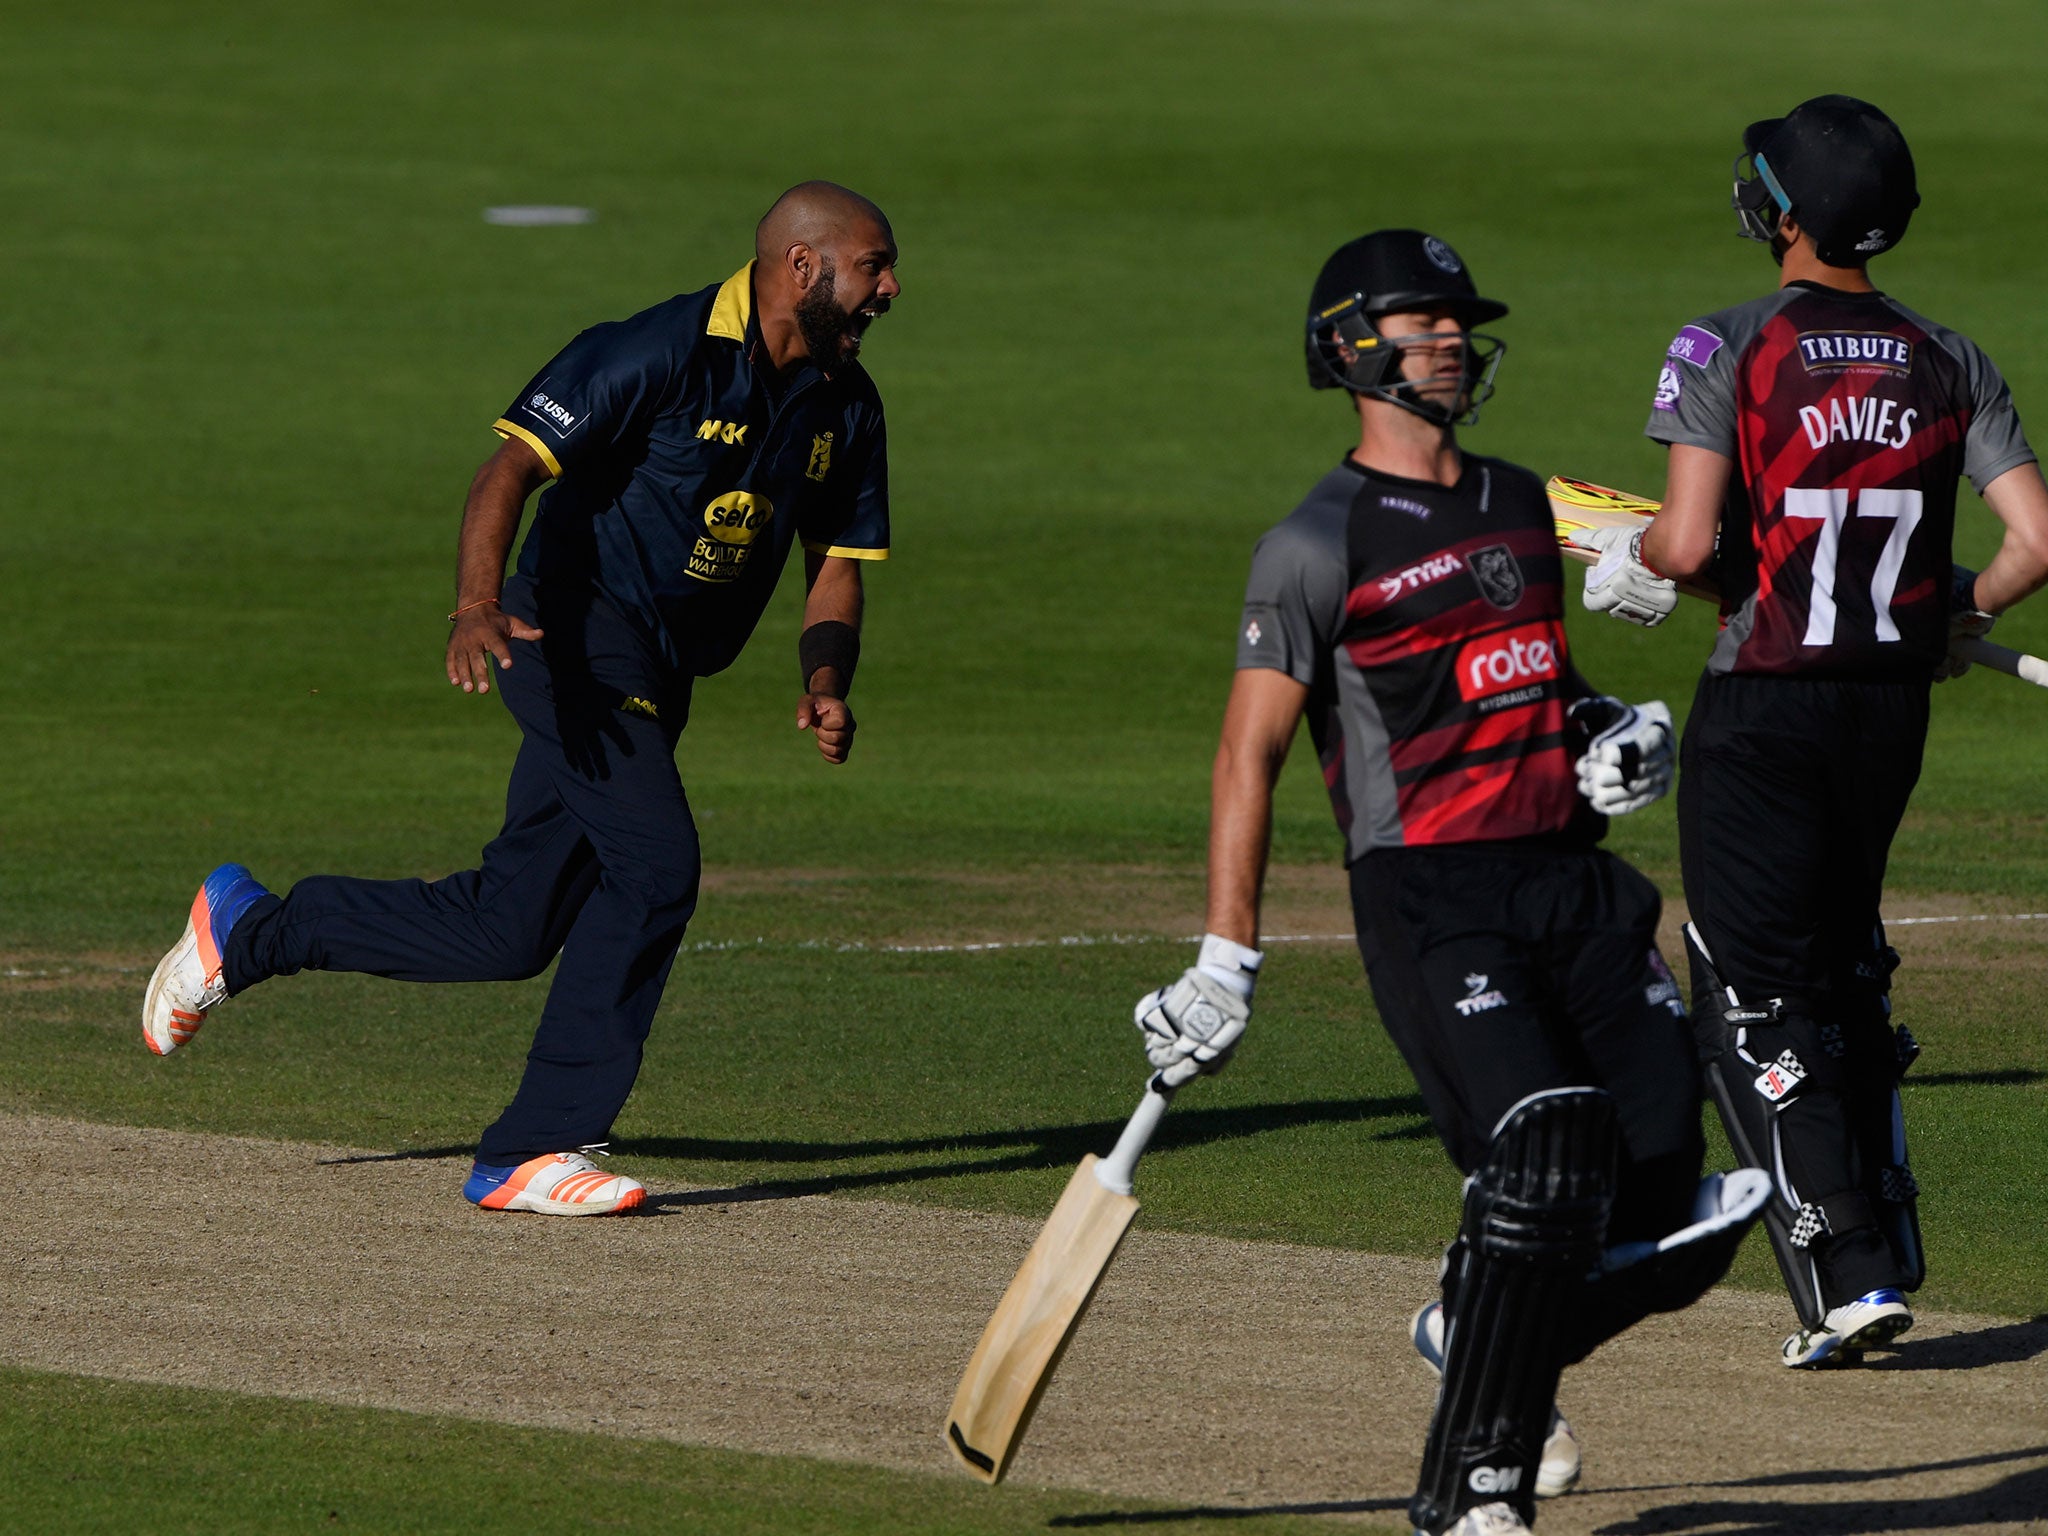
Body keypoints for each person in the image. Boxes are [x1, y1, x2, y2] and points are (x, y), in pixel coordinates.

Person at [1135, 230, 1765, 1536]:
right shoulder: (1315, 542)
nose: (1452, 344)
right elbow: (1248, 753)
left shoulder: (1521, 503)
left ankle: (1479, 1319)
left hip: (1576, 889)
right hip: (1434, 896)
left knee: (1688, 1209)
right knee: (1543, 1152)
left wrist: (1610, 734)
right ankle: (1471, 1491)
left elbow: (1542, 680)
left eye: (1456, 325)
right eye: (1422, 324)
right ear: (1351, 347)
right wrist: (1224, 955)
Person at [142, 182, 900, 1216]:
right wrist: (474, 605)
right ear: (803, 268)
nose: (889, 289)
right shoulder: (653, 350)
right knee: (655, 865)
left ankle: (252, 928)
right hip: (565, 638)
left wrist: (824, 682)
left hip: (661, 670)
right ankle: (534, 1147)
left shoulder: (844, 404)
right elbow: (507, 472)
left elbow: (837, 563)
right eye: (873, 266)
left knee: (507, 930)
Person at [1580, 95, 2048, 1367]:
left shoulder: (1721, 342)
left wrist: (1631, 563)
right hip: (1885, 712)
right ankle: (1883, 1243)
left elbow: (1683, 546)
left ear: (1782, 211)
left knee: (1744, 976)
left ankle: (1843, 1272)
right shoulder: (1950, 357)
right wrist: (1954, 611)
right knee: (1840, 961)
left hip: (1766, 703)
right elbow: (2033, 546)